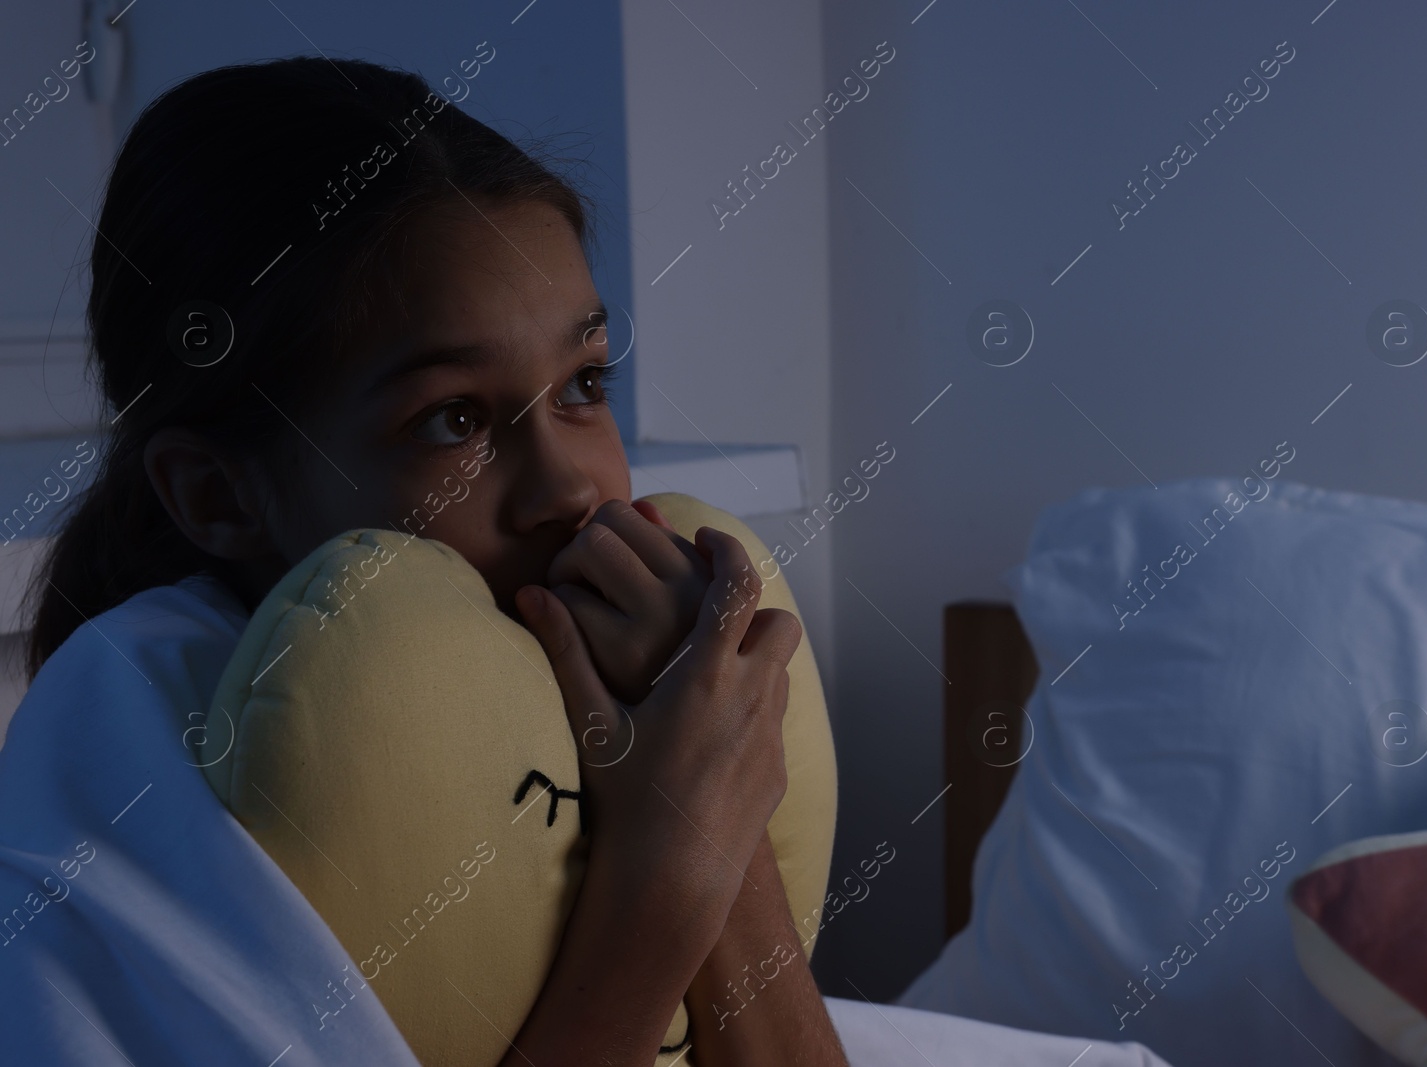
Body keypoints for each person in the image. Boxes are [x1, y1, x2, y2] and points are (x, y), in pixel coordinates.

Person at [12, 55, 848, 1066]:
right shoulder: (121, 802)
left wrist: (726, 832)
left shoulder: (621, 688)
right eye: (453, 419)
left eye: (585, 381)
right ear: (219, 494)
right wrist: (670, 878)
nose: (571, 491)